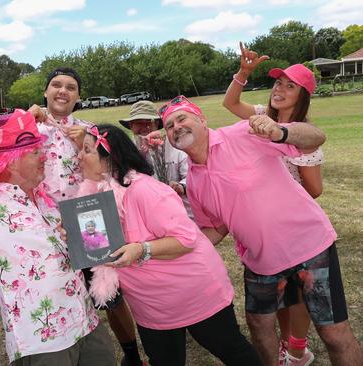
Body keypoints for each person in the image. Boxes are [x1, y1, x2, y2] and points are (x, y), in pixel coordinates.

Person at [159, 95, 363, 365]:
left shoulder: (243, 132)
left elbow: (316, 137)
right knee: (259, 326)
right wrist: (170, 249)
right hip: (262, 263)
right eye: (169, 125)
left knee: (334, 335)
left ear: (203, 120)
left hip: (310, 247)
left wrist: (281, 131)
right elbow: (216, 228)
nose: (176, 127)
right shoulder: (194, 182)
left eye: (182, 118)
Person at [0, 67, 144, 366]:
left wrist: (81, 143)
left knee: (110, 293)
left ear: (78, 97)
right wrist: (21, 115)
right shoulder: (27, 128)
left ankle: (132, 356)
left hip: (85, 217)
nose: (63, 91)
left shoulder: (88, 129)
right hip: (36, 218)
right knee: (57, 284)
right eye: (56, 85)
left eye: (71, 87)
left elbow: (112, 169)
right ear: (46, 92)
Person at [71, 123, 262, 365]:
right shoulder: (91, 197)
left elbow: (185, 240)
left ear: (110, 158)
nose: (79, 156)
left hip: (193, 293)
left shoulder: (145, 191)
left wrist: (142, 249)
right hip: (150, 305)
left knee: (233, 351)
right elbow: (100, 249)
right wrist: (74, 237)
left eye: (86, 150)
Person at [0, 109, 115, 365]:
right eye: (35, 152)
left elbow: (91, 247)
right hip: (43, 341)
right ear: (11, 160)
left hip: (85, 320)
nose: (45, 157)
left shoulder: (43, 197)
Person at [223, 43, 324, 365]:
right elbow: (231, 102)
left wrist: (279, 197)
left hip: (292, 225)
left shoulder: (304, 135)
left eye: (290, 85)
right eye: (278, 83)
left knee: (296, 294)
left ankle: (297, 348)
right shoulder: (261, 117)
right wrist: (244, 73)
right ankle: (286, 345)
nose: (280, 89)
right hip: (263, 225)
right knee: (278, 293)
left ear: (303, 94)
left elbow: (315, 189)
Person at [119, 101, 191, 218]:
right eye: (138, 123)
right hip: (147, 214)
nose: (144, 127)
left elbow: (191, 176)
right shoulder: (127, 151)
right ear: (131, 126)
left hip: (180, 212)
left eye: (148, 122)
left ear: (157, 124)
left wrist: (181, 186)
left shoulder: (175, 145)